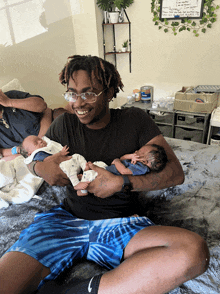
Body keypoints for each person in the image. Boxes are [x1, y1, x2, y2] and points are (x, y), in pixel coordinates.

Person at [0, 55, 209, 294]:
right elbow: (33, 157)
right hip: (65, 220)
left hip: (122, 223)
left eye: (89, 93)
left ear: (109, 93)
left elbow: (175, 173)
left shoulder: (135, 120)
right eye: (72, 93)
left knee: (194, 252)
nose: (78, 103)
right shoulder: (63, 125)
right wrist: (40, 168)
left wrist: (122, 182)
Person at [20, 136, 168, 196]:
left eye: (140, 154)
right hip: (105, 168)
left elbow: (123, 170)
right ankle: (83, 173)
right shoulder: (61, 125)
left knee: (91, 174)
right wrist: (127, 157)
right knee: (95, 166)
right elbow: (33, 163)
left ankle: (80, 187)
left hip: (109, 174)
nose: (137, 152)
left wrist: (117, 164)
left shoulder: (140, 167)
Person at [0, 89, 52, 161]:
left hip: (48, 133)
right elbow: (1, 153)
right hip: (27, 154)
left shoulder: (11, 96)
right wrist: (20, 151)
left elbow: (43, 106)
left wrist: (8, 102)